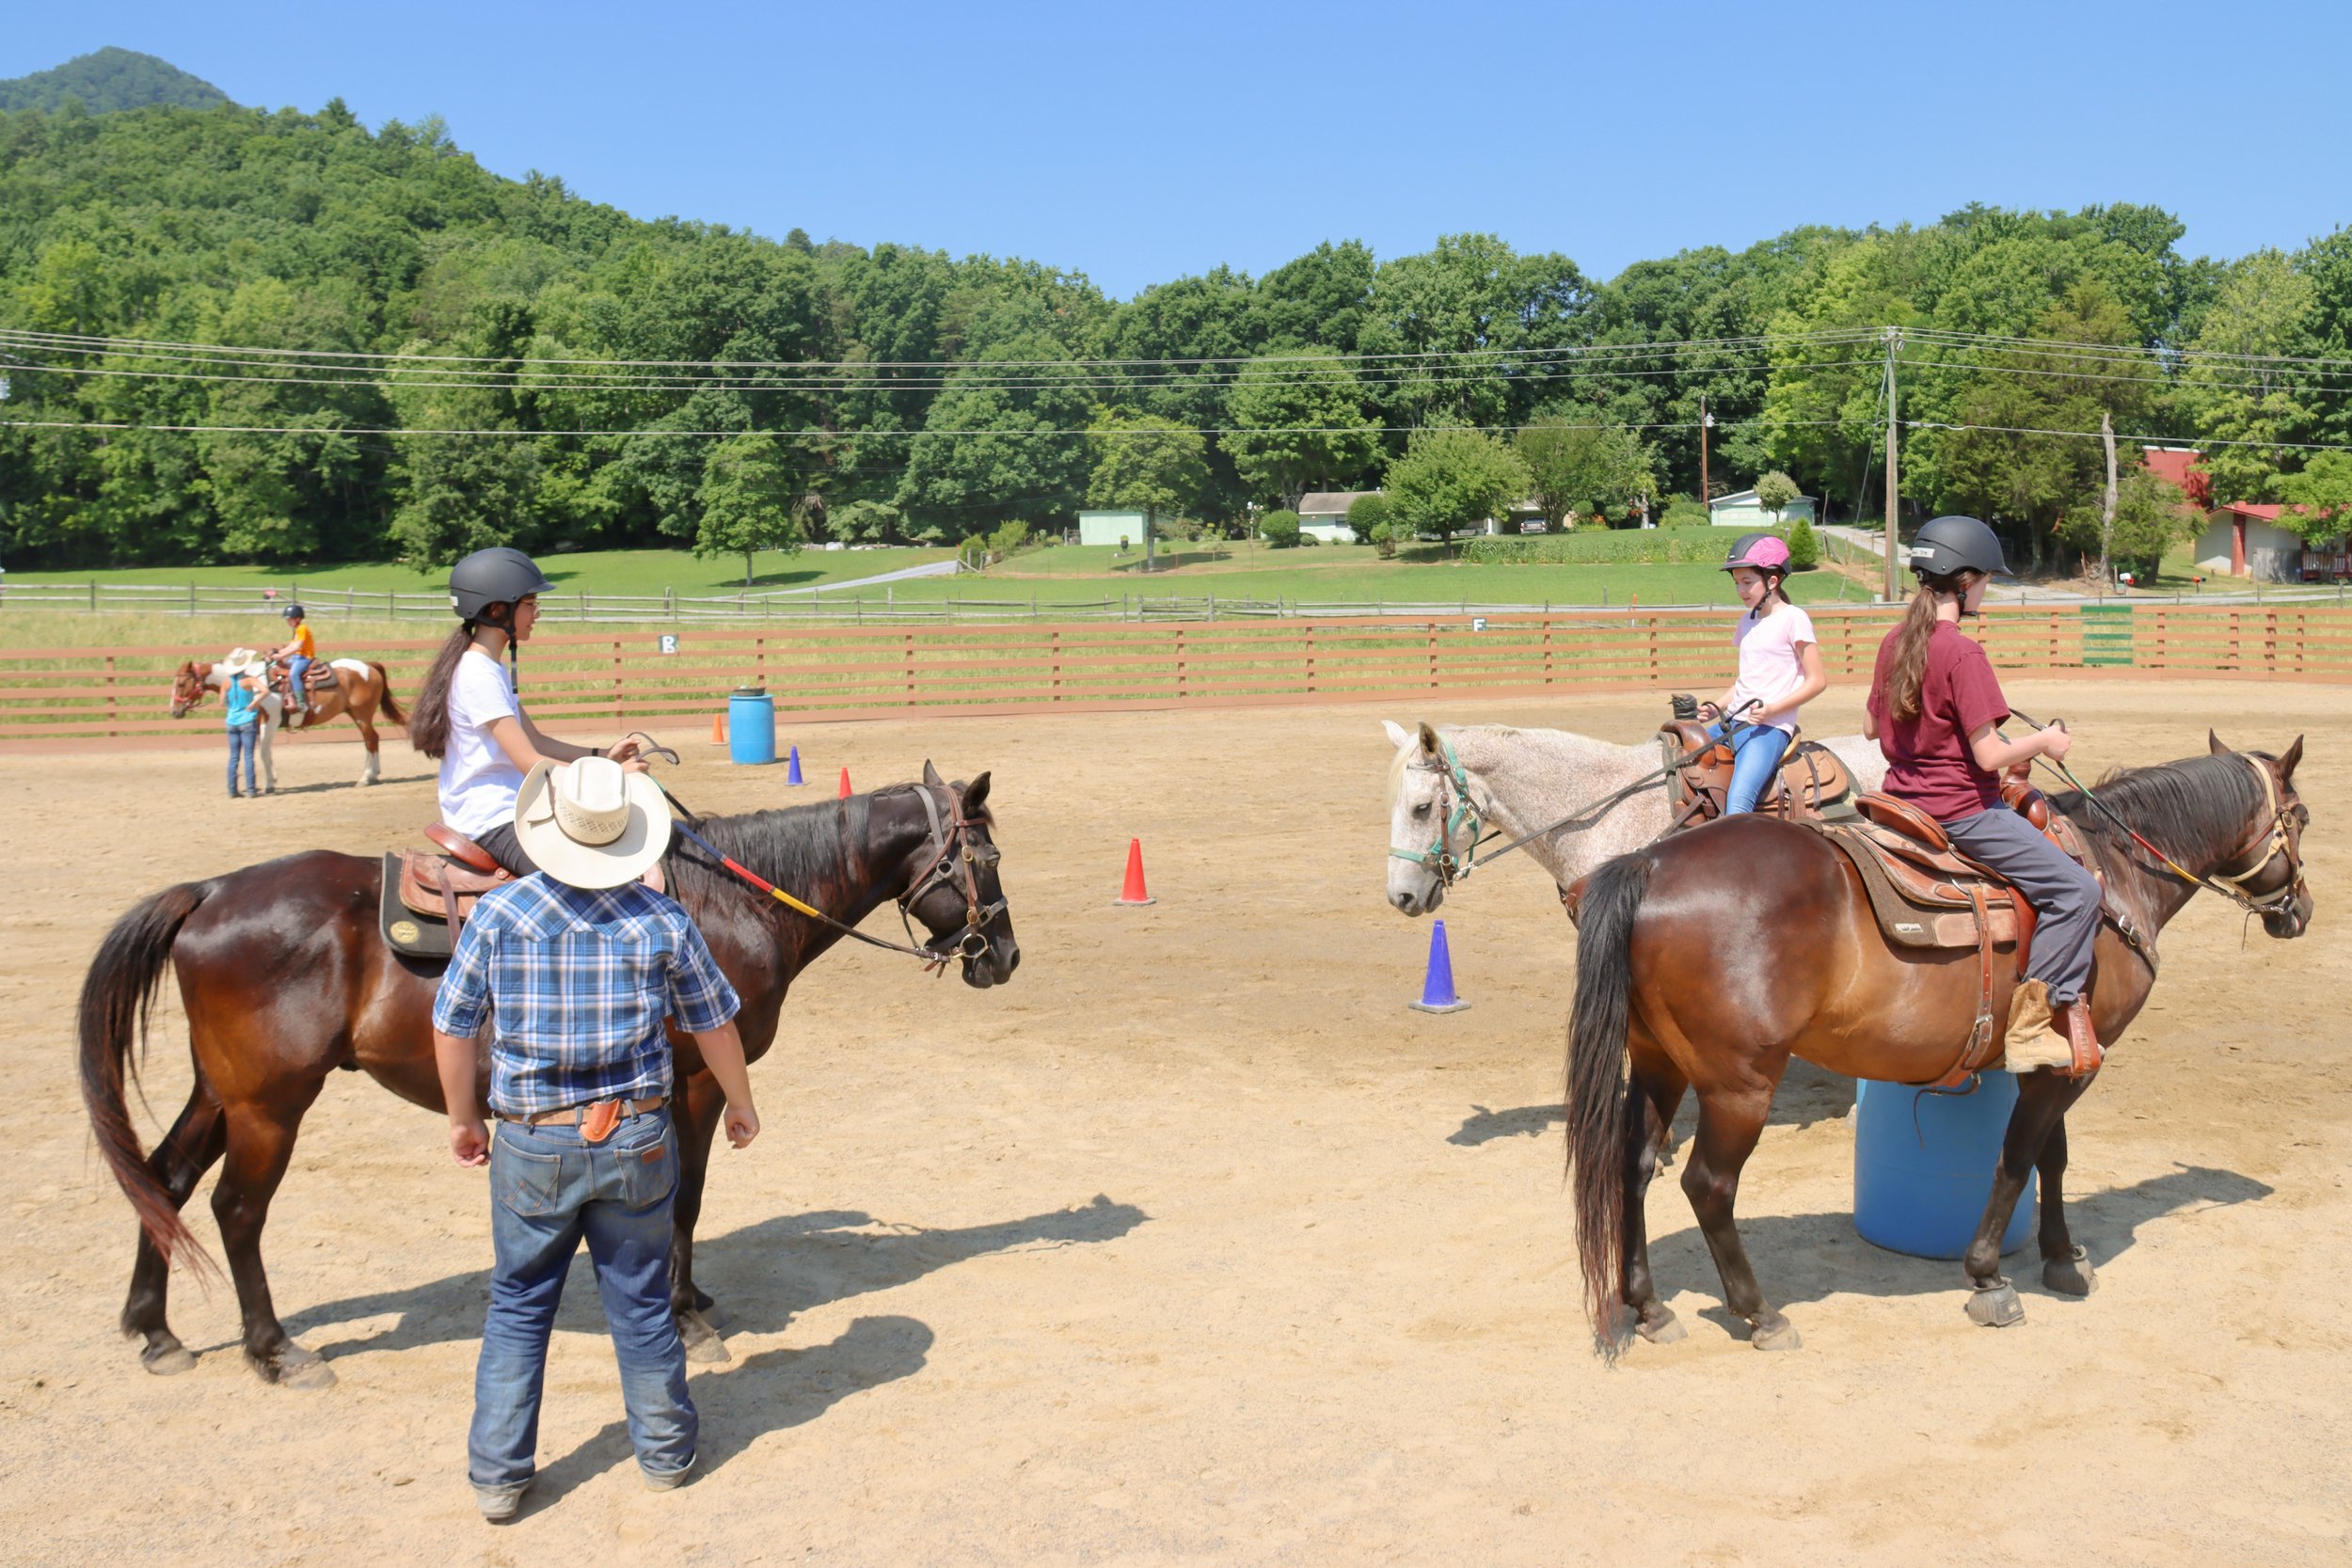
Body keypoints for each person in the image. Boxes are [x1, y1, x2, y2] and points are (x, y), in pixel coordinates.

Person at [431, 753, 762, 1522]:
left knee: (518, 1304)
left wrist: (462, 1116)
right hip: (635, 1135)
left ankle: (499, 1474)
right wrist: (741, 1103)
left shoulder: (499, 914)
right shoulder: (663, 920)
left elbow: (452, 1023)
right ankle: (665, 1452)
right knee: (641, 1299)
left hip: (533, 1139)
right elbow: (714, 1022)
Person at [1863, 514, 2101, 1075]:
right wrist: (2046, 741)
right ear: (1966, 581)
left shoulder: (1895, 641)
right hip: (1961, 811)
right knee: (2077, 891)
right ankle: (2030, 1030)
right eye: (1988, 580)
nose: (1987, 590)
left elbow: (1872, 729)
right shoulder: (1963, 653)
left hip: (1899, 802)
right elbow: (1990, 757)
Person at [405, 547, 644, 877]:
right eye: (530, 604)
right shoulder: (478, 673)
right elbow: (529, 761)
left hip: (514, 807)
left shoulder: (492, 668)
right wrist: (610, 778)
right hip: (493, 818)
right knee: (586, 879)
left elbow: (537, 742)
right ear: (497, 610)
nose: (537, 613)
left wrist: (604, 756)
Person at [1697, 532, 1827, 815]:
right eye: (1737, 583)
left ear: (1772, 581)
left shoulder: (1794, 618)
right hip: (1733, 724)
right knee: (1684, 762)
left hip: (1770, 729)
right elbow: (1745, 680)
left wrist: (1772, 710)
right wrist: (1717, 706)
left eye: (1747, 582)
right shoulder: (1747, 621)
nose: (1741, 590)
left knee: (1738, 803)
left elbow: (1818, 681)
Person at [221, 655, 265, 799]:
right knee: (248, 756)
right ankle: (251, 789)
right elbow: (265, 691)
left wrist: (232, 706)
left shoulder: (226, 681)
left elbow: (222, 702)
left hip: (231, 721)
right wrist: (252, 704)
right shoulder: (249, 680)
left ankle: (232, 790)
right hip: (247, 720)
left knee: (233, 756)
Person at [269, 604, 315, 715]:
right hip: (297, 657)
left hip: (305, 657)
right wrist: (279, 653)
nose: (287, 621)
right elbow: (291, 645)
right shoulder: (297, 629)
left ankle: (301, 702)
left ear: (297, 619)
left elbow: (297, 647)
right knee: (281, 668)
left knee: (294, 674)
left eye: (289, 619)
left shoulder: (302, 628)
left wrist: (281, 656)